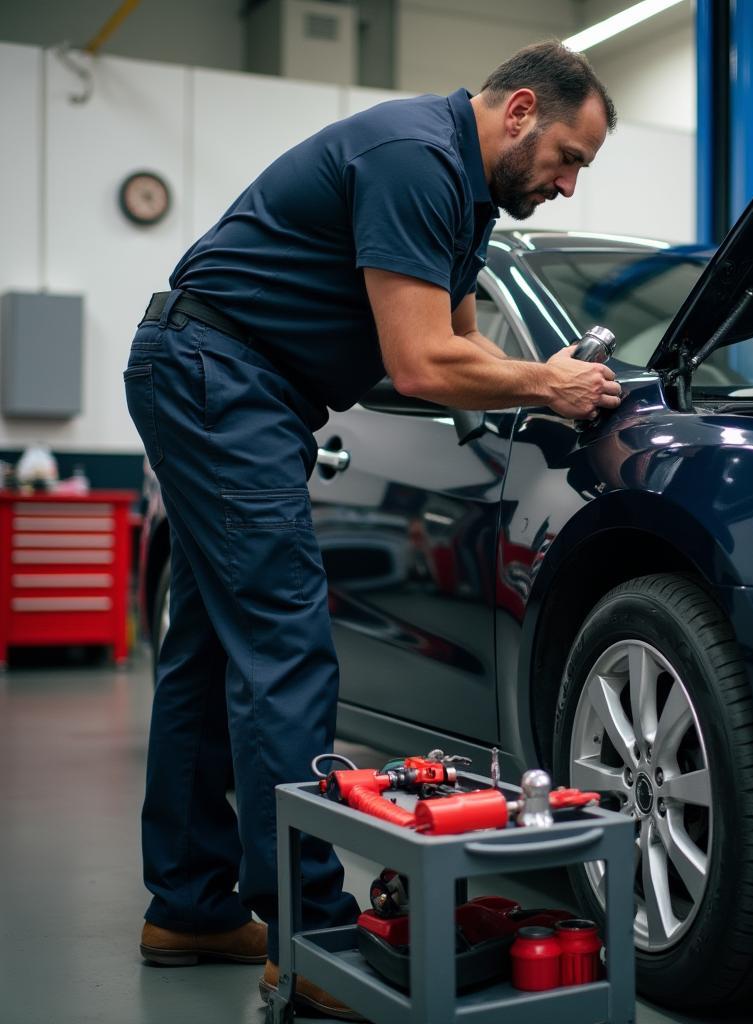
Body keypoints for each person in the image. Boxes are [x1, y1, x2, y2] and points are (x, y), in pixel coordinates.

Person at [124, 40, 620, 1020]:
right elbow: (427, 364)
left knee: (212, 647)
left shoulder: (467, 199)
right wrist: (545, 382)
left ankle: (187, 906)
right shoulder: (413, 157)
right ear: (521, 109)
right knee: (285, 643)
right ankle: (311, 934)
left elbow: (463, 347)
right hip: (216, 371)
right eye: (571, 157)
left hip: (237, 379)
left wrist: (539, 380)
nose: (568, 185)